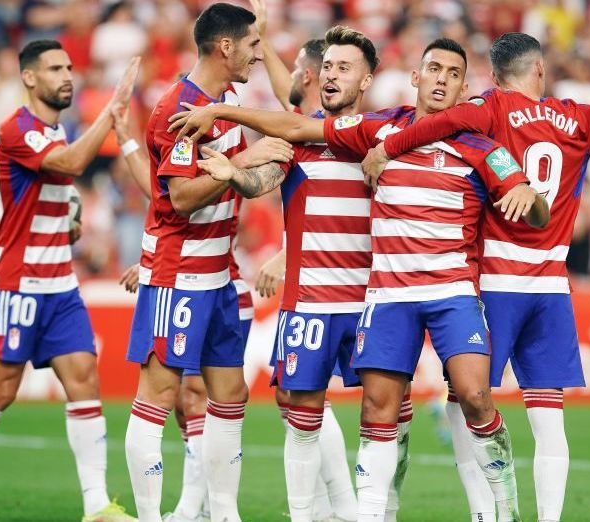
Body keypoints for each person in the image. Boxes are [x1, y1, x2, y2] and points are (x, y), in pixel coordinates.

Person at [171, 37, 548, 522]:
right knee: (375, 409)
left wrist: (528, 196)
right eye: (432, 68)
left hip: (452, 291)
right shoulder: (379, 127)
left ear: (464, 87)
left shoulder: (480, 147)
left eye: (453, 74)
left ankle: (504, 507)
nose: (440, 79)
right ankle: (372, 514)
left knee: (474, 395)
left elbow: (535, 211)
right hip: (387, 296)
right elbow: (299, 121)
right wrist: (230, 117)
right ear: (415, 77)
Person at [359, 32, 590, 522]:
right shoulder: (581, 119)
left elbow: (442, 122)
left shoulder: (489, 108)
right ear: (540, 70)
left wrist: (388, 147)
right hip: (550, 285)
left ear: (494, 73)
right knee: (549, 421)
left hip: (493, 282)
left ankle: (487, 515)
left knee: (466, 405)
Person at [0, 40, 139, 522]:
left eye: (69, 67)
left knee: (85, 378)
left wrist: (69, 216)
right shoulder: (16, 129)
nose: (67, 75)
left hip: (59, 282)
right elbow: (68, 165)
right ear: (29, 78)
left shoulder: (54, 130)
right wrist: (112, 111)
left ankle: (96, 506)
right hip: (16, 281)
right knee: (1, 389)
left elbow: (50, 190)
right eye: (54, 69)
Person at [122, 4, 291, 522]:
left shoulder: (226, 102)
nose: (257, 54)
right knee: (161, 392)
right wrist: (243, 161)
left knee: (230, 393)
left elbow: (253, 167)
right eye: (252, 45)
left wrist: (262, 164)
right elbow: (180, 199)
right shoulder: (179, 108)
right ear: (225, 47)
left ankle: (224, 513)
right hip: (177, 274)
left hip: (220, 274)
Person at [113, 101, 259, 522]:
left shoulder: (228, 125)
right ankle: (198, 506)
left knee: (199, 396)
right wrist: (125, 141)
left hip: (219, 282)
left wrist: (155, 262)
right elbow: (166, 193)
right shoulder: (201, 123)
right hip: (192, 279)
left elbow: (183, 201)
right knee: (183, 399)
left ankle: (198, 506)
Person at [248, 1, 360, 519]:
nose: (283, 78)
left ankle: (348, 509)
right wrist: (264, 39)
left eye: (295, 70)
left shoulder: (359, 135)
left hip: (345, 288)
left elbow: (347, 216)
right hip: (317, 286)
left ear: (314, 75)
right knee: (299, 402)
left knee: (322, 404)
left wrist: (286, 254)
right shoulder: (302, 131)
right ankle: (336, 511)